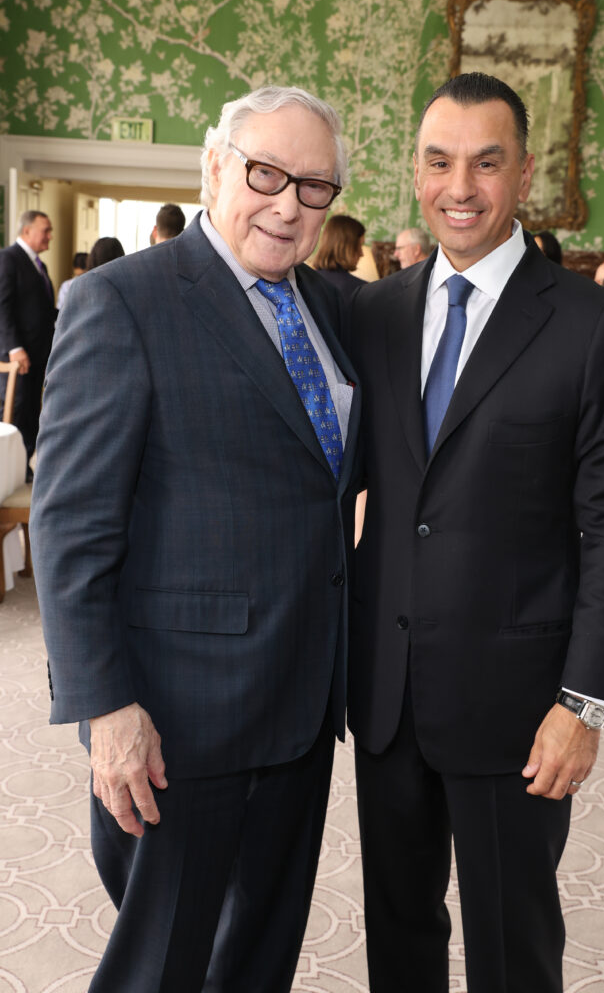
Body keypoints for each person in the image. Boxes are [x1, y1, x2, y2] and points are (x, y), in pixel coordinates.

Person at [30, 85, 360, 993]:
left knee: (257, 958)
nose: (288, 203)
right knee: (163, 966)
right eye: (266, 173)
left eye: (314, 186)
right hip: (178, 722)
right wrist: (106, 711)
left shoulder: (326, 312)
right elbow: (69, 523)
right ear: (214, 166)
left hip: (299, 707)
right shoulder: (122, 302)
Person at [347, 72, 604, 993]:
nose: (460, 186)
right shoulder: (375, 311)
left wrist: (585, 705)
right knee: (397, 933)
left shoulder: (591, 324)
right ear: (414, 173)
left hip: (521, 710)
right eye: (439, 162)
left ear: (522, 174)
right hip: (387, 694)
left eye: (486, 163)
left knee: (510, 946)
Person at [0, 209, 56, 477]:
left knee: (34, 412)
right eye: (45, 230)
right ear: (26, 231)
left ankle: (24, 472)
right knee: (18, 413)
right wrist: (15, 347)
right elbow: (3, 306)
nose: (50, 236)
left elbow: (43, 311)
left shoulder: (39, 265)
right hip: (19, 359)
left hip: (38, 357)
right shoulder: (8, 259)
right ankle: (11, 474)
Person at [312, 213, 367, 299]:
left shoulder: (303, 283)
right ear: (348, 247)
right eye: (360, 245)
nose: (361, 254)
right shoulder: (360, 289)